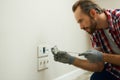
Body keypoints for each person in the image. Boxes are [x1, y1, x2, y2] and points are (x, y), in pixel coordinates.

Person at [51, 0, 120, 80]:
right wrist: (71, 60)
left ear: (93, 13)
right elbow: (98, 66)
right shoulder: (94, 31)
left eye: (81, 20)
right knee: (95, 78)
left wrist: (102, 56)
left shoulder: (118, 19)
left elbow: (102, 58)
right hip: (116, 70)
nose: (80, 27)